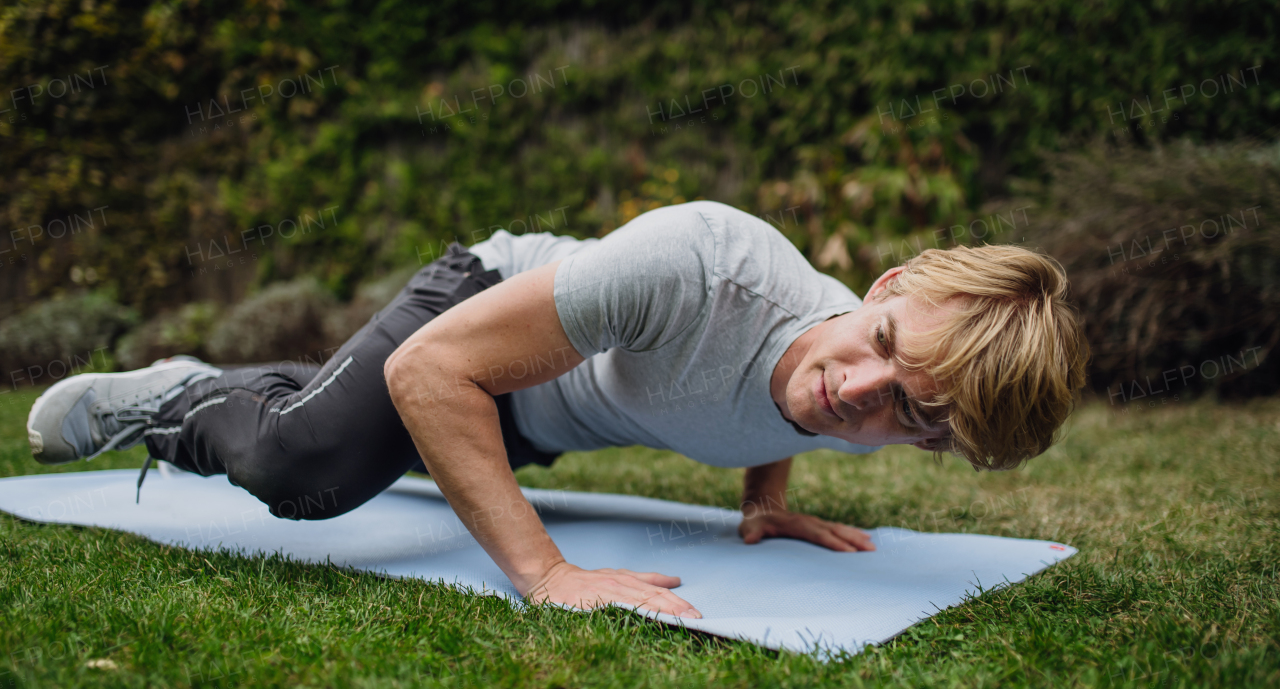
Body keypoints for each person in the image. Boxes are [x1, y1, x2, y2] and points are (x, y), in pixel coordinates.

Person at [25, 200, 1089, 620]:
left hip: (534, 418)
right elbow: (433, 375)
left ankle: (295, 397)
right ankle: (177, 395)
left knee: (368, 443)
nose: (853, 393)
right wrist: (545, 573)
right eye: (882, 349)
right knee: (312, 474)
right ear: (890, 284)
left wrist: (763, 500)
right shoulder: (701, 268)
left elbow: (788, 404)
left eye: (905, 415)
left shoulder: (879, 385)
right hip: (474, 318)